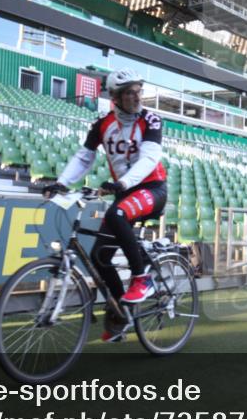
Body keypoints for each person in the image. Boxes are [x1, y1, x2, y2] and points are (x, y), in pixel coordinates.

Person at [43, 69, 167, 343]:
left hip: (151, 188)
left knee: (118, 212)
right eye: (129, 93)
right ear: (114, 97)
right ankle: (120, 312)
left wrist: (123, 183)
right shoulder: (103, 124)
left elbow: (149, 159)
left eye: (138, 91)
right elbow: (84, 156)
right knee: (100, 256)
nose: (136, 97)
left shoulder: (152, 120)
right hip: (124, 190)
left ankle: (140, 278)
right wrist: (61, 182)